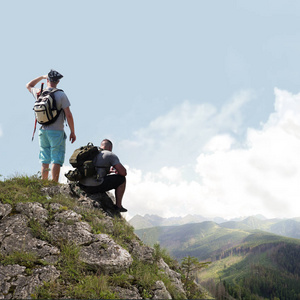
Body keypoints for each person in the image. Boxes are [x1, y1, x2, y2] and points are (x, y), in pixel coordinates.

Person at [26, 69, 76, 182]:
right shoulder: (61, 94)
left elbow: (28, 85)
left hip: (42, 131)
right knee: (56, 158)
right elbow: (68, 115)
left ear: (47, 80)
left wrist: (42, 77)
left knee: (45, 159)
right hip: (57, 131)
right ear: (58, 81)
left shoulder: (40, 92)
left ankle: (44, 183)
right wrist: (72, 132)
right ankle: (54, 184)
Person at [78, 139, 127, 212]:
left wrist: (108, 171)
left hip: (82, 184)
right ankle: (118, 206)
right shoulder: (110, 154)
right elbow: (123, 172)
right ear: (110, 148)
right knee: (122, 179)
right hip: (94, 187)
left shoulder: (92, 153)